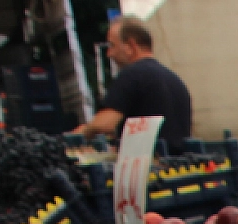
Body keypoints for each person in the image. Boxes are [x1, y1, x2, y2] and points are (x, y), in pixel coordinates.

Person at [76, 16, 192, 152]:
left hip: (146, 167)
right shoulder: (174, 80)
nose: (109, 54)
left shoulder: (131, 75)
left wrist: (80, 133)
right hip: (178, 165)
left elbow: (104, 124)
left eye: (112, 45)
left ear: (131, 46)